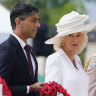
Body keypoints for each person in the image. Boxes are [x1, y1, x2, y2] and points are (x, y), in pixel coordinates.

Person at [45, 11, 96, 96]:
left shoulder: (77, 60)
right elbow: (51, 93)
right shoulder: (55, 59)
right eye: (70, 35)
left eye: (78, 35)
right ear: (62, 38)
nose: (75, 40)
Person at [0, 3, 44, 96]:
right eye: (33, 20)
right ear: (18, 22)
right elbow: (1, 89)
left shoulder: (30, 50)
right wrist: (29, 88)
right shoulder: (6, 49)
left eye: (38, 20)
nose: (38, 25)